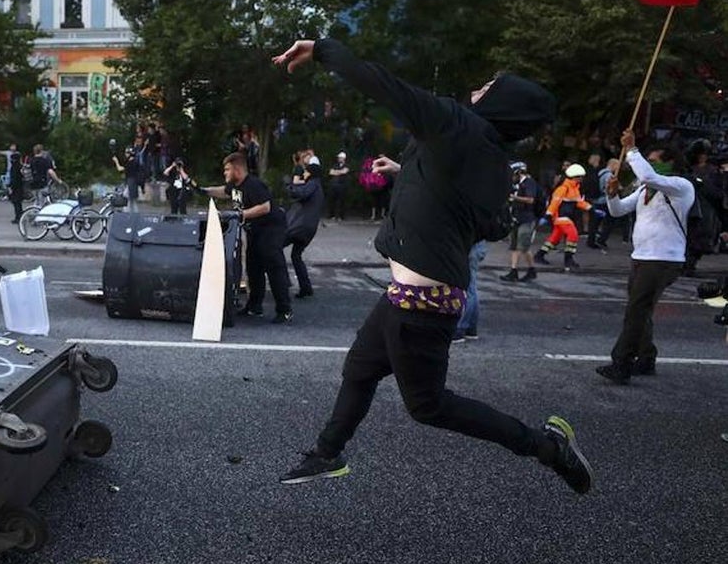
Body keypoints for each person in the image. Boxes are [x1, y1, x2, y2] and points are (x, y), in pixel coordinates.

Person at [271, 37, 592, 495]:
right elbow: (492, 224)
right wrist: (412, 176)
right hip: (410, 295)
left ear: (504, 102)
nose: (477, 89)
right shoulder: (490, 159)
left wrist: (323, 49)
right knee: (360, 369)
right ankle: (326, 454)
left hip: (422, 303)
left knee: (429, 406)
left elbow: (384, 85)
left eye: (488, 86)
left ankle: (547, 447)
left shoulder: (455, 124)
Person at [595, 130, 695, 385]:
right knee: (642, 310)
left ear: (670, 163)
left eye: (655, 160)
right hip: (641, 256)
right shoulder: (644, 192)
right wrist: (611, 193)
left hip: (663, 259)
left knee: (636, 310)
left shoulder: (681, 187)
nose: (650, 165)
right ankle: (646, 357)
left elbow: (648, 174)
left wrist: (631, 150)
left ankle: (622, 363)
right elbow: (617, 211)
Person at [201, 153, 292, 324]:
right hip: (255, 230)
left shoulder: (254, 185)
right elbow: (223, 191)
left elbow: (265, 207)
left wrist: (239, 214)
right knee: (253, 267)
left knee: (274, 266)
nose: (225, 173)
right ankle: (254, 306)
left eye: (227, 169)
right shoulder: (235, 186)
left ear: (237, 169)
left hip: (271, 229)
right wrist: (204, 190)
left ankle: (284, 310)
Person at [534, 163, 589, 271]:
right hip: (561, 217)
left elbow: (579, 202)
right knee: (573, 235)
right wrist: (547, 215)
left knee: (554, 239)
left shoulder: (574, 188)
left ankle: (539, 255)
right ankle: (568, 260)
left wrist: (591, 209)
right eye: (580, 177)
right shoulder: (563, 188)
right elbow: (554, 203)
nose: (582, 179)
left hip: (565, 217)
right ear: (575, 177)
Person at [285, 161, 324, 299]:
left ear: (311, 173)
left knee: (275, 247)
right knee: (296, 256)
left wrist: (291, 185)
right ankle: (305, 287)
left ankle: (283, 282)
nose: (304, 174)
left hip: (299, 227)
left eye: (306, 172)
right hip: (307, 229)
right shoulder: (317, 186)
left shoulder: (312, 184)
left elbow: (299, 193)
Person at [500, 162, 540, 282]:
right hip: (516, 218)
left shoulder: (529, 183)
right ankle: (513, 271)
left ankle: (532, 270)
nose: (511, 177)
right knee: (514, 246)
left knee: (524, 246)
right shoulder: (517, 184)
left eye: (513, 174)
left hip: (527, 219)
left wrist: (514, 197)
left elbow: (530, 200)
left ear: (519, 172)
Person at [453, 240, 487, 343]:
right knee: (472, 289)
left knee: (468, 290)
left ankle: (461, 328)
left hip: (470, 248)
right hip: (476, 247)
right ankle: (471, 328)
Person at [359, 155, 391, 221]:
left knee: (374, 201)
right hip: (383, 186)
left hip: (373, 186)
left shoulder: (371, 165)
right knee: (382, 201)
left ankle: (374, 215)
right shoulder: (384, 166)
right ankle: (382, 215)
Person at [114, 146, 143, 213]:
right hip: (134, 183)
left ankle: (127, 215)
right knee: (132, 202)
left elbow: (120, 169)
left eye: (127, 153)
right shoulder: (135, 162)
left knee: (127, 199)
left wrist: (116, 161)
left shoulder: (130, 163)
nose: (125, 154)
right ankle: (134, 215)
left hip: (131, 183)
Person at [327, 152, 350, 220]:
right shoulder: (335, 165)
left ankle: (341, 216)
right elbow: (331, 172)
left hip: (342, 185)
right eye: (338, 158)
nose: (339, 159)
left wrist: (336, 172)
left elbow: (345, 171)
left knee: (341, 201)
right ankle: (332, 215)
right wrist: (339, 172)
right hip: (334, 185)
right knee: (332, 200)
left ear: (344, 158)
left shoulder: (347, 165)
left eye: (340, 158)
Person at [8, 149, 25, 224]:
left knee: (16, 203)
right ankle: (20, 216)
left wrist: (10, 186)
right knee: (18, 203)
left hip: (16, 187)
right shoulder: (20, 167)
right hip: (20, 186)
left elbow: (14, 178)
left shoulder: (14, 168)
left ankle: (18, 217)